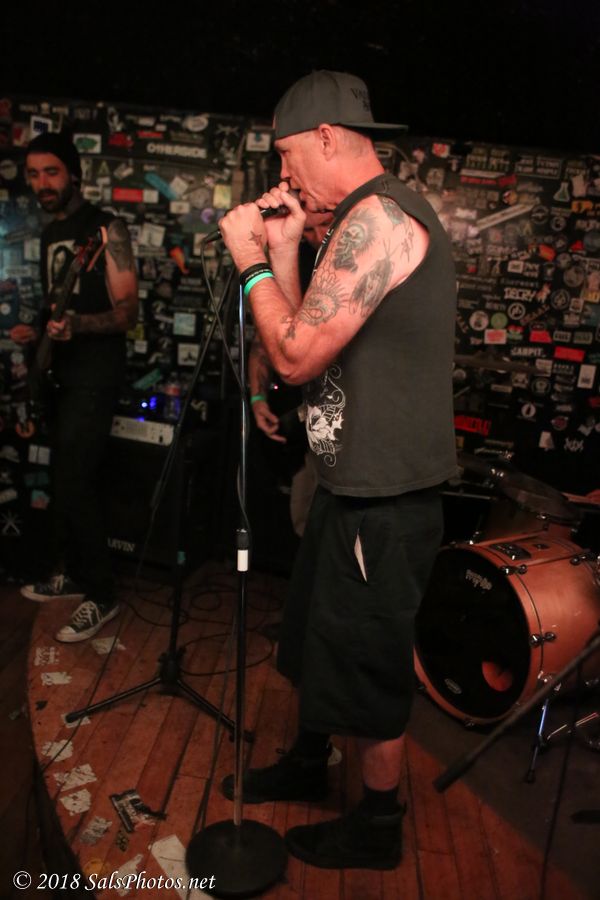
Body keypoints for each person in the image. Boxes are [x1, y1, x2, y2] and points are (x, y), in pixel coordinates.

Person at [218, 71, 458, 870]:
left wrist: (250, 258)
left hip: (384, 493)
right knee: (316, 638)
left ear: (326, 137)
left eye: (288, 157)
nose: (284, 177)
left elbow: (290, 355)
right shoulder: (351, 220)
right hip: (343, 479)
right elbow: (301, 344)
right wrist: (285, 250)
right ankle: (307, 762)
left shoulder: (380, 219)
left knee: (366, 658)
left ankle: (378, 826)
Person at [10, 131, 138, 643]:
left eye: (51, 172)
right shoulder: (49, 235)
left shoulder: (107, 228)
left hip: (95, 374)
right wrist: (39, 331)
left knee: (76, 481)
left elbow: (128, 312)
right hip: (61, 375)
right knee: (67, 481)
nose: (42, 183)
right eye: (33, 174)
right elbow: (59, 309)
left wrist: (78, 327)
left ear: (75, 174)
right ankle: (79, 574)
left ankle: (102, 594)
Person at [248, 209, 332, 535]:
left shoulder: (347, 265)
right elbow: (263, 341)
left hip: (344, 425)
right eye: (307, 230)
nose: (317, 236)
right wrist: (258, 398)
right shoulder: (297, 262)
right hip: (303, 417)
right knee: (303, 518)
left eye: (325, 226)